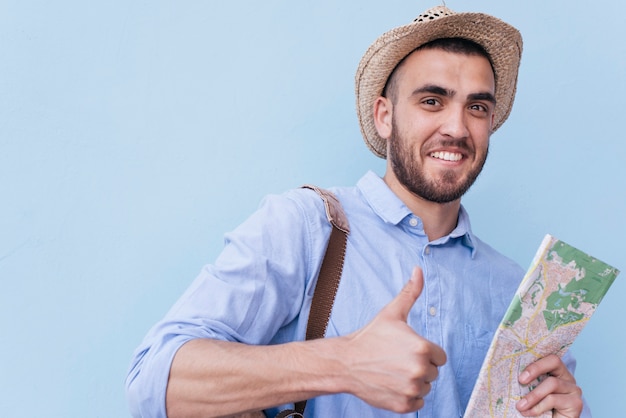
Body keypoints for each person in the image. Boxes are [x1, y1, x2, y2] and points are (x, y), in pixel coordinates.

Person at [126, 5, 589, 418]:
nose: (457, 126)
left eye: (477, 107)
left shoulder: (522, 293)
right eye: (432, 100)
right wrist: (343, 362)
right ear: (384, 116)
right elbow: (154, 384)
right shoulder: (305, 226)